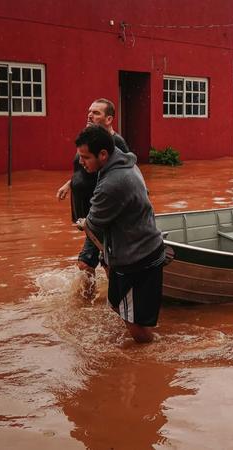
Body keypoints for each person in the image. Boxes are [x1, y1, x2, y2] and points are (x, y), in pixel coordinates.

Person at [75, 125, 165, 343]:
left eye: (85, 157)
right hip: (138, 249)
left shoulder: (113, 183)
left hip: (137, 259)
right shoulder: (125, 162)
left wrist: (84, 222)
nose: (81, 162)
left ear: (103, 154)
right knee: (117, 304)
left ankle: (152, 357)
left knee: (134, 325)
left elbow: (94, 223)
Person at [56, 99, 130, 288]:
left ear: (109, 119)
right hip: (90, 214)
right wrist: (69, 184)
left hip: (102, 214)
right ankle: (113, 298)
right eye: (89, 111)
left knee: (87, 262)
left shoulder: (116, 143)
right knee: (104, 256)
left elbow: (125, 173)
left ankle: (94, 306)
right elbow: (84, 169)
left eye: (96, 113)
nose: (90, 115)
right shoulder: (90, 139)